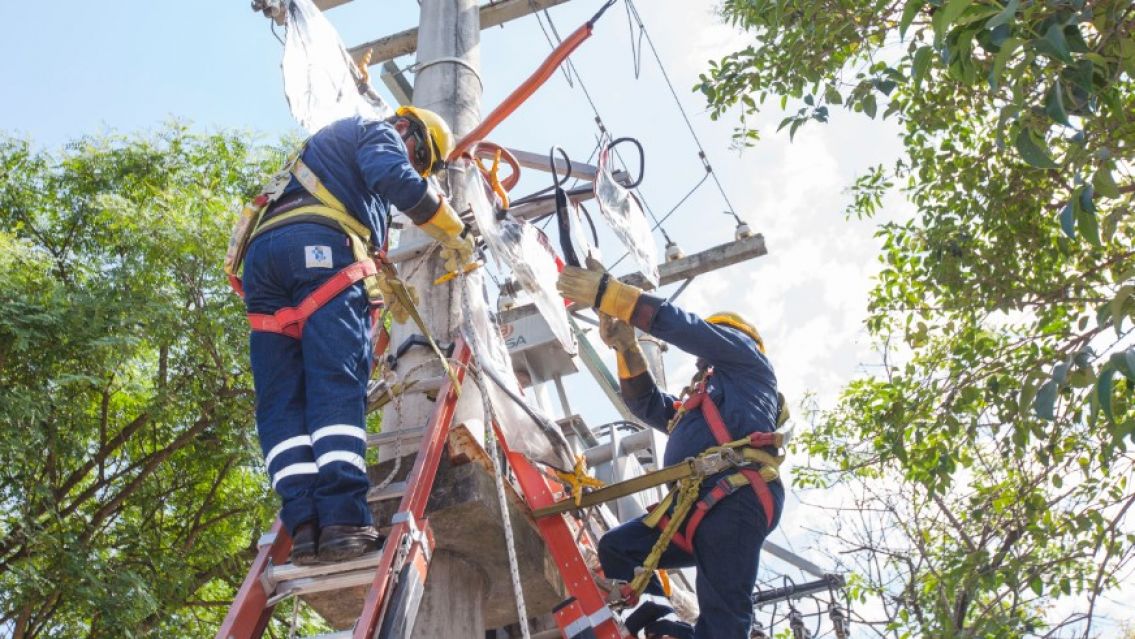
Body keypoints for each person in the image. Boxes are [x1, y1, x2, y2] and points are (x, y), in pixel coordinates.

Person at [242, 106, 474, 565]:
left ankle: (305, 524)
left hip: (263, 266)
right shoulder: (375, 131)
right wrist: (455, 230)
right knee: (336, 384)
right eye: (420, 156)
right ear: (405, 127)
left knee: (282, 400)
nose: (415, 167)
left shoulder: (321, 162)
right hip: (321, 249)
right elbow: (398, 180)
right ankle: (344, 520)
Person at [557, 260, 785, 639]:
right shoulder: (697, 407)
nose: (700, 364)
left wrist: (611, 295)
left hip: (735, 495)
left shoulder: (747, 362)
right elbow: (648, 405)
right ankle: (664, 624)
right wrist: (627, 348)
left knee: (723, 622)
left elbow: (690, 330)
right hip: (693, 509)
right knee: (619, 548)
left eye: (708, 354)